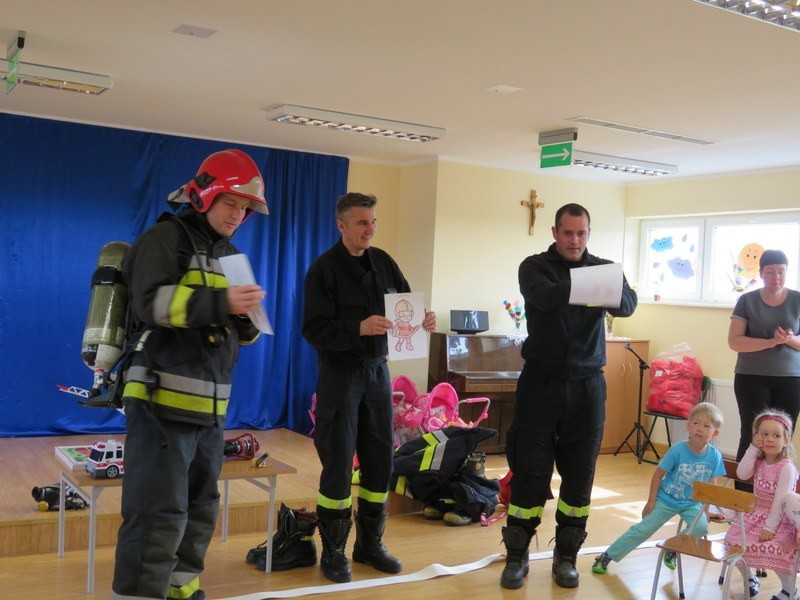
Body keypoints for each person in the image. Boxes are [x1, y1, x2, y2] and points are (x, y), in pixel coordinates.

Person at [111, 149, 268, 600]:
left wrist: (245, 319)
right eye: (231, 203)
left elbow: (245, 336)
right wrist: (223, 302)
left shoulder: (231, 255)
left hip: (210, 413)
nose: (238, 215)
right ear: (204, 196)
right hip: (160, 404)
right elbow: (152, 304)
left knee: (200, 509)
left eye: (245, 208)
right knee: (156, 513)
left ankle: (183, 590)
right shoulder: (164, 239)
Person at [500, 203, 638, 590]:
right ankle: (517, 556)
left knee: (579, 478)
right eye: (567, 233)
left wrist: (594, 285)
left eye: (581, 233)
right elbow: (544, 297)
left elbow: (627, 305)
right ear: (555, 233)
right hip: (540, 384)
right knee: (530, 474)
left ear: (589, 234)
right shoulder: (534, 266)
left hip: (587, 387)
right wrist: (594, 287)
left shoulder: (605, 268)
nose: (575, 240)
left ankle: (566, 558)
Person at [302, 192, 436, 583]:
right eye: (362, 222)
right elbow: (312, 329)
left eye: (374, 222)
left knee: (380, 461)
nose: (370, 230)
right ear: (341, 224)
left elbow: (405, 310)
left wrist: (423, 321)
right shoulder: (323, 270)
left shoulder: (385, 263)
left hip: (378, 374)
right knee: (338, 464)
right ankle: (334, 552)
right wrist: (356, 328)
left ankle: (370, 546)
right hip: (340, 375)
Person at [591, 402, 725, 576]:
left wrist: (706, 510)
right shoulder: (677, 450)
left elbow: (711, 485)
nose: (699, 428)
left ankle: (672, 549)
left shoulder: (714, 456)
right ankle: (607, 555)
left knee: (701, 527)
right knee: (643, 529)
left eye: (706, 426)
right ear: (688, 426)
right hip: (666, 499)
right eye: (696, 423)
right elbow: (658, 475)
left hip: (692, 503)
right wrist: (651, 501)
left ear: (715, 433)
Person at [728, 249, 800, 490]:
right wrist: (770, 342)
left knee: (782, 437)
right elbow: (735, 341)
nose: (776, 277)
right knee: (753, 435)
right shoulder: (747, 300)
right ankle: (744, 496)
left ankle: (776, 495)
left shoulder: (798, 299)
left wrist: (788, 340)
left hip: (791, 378)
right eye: (770, 272)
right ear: (760, 273)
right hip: (751, 377)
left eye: (781, 271)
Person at [725, 409, 799, 600]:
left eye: (776, 435)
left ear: (786, 440)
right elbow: (742, 474)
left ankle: (790, 590)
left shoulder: (786, 467)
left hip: (780, 520)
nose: (769, 439)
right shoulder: (758, 460)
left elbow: (780, 502)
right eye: (764, 434)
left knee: (777, 549)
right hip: (755, 515)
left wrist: (770, 528)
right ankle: (750, 578)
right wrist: (752, 448)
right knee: (733, 541)